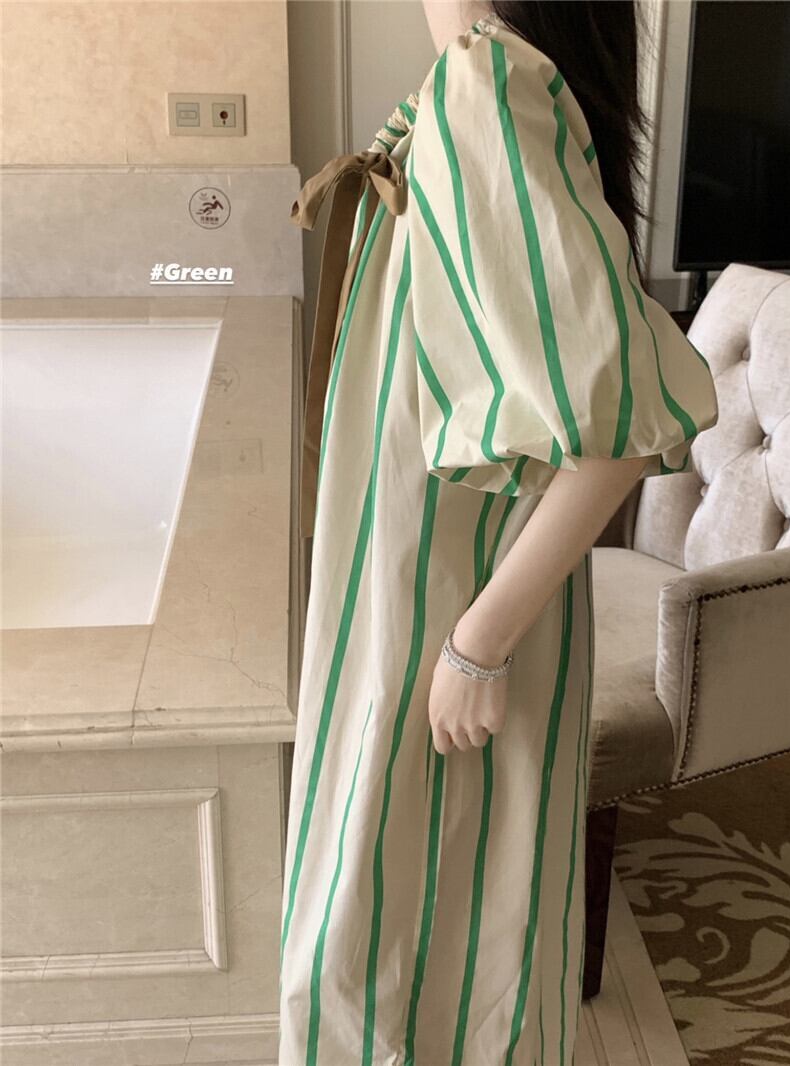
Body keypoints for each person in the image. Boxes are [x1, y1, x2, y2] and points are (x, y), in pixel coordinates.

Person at [279, 2, 719, 1063]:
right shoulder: (474, 87)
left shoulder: (487, 87)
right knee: (419, 939)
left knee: (395, 948)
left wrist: (476, 646)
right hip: (419, 586)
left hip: (449, 605)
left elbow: (618, 426)